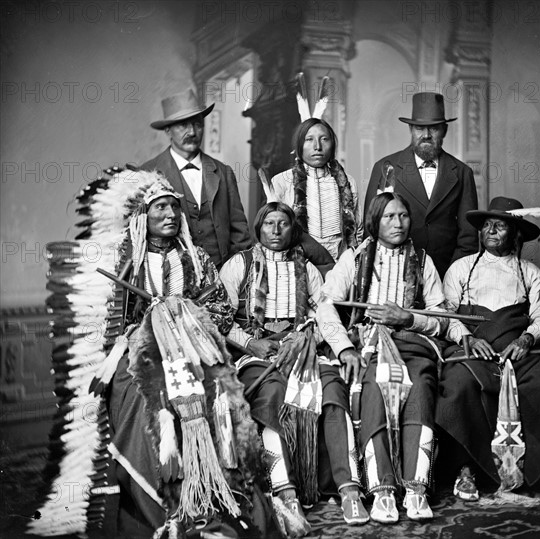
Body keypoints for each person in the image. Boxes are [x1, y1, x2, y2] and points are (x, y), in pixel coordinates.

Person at [99, 173, 264, 537]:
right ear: (144, 216)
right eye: (161, 207)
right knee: (144, 403)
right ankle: (166, 507)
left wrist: (186, 319)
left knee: (220, 398)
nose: (171, 213)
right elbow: (113, 320)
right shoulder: (129, 262)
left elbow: (220, 308)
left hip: (196, 349)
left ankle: (220, 500)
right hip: (142, 357)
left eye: (175, 206)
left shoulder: (197, 257)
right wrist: (149, 327)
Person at [219, 202, 368, 531]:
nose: (275, 231)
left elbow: (325, 313)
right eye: (268, 224)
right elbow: (219, 318)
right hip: (257, 348)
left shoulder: (308, 269)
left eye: (283, 224)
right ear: (258, 228)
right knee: (269, 391)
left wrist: (314, 338)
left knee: (331, 387)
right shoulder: (238, 265)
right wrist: (249, 342)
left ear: (293, 228)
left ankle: (349, 489)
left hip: (300, 343)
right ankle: (285, 493)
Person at [316, 192, 448, 523]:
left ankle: (416, 489)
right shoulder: (355, 258)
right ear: (375, 221)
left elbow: (442, 316)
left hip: (412, 346)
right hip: (368, 345)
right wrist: (345, 348)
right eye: (389, 216)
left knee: (420, 385)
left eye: (403, 216)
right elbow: (326, 305)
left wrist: (408, 319)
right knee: (373, 385)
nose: (398, 223)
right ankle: (383, 489)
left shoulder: (422, 261)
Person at [437, 197, 540, 504]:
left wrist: (526, 339)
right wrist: (465, 338)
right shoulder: (461, 269)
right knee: (458, 387)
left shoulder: (529, 272)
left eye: (500, 225)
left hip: (518, 353)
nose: (492, 230)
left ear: (516, 234)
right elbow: (445, 315)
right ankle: (465, 470)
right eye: (487, 225)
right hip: (473, 352)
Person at [364, 92, 478, 277]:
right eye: (419, 128)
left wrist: (453, 276)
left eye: (434, 128)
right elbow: (371, 228)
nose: (426, 135)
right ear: (410, 129)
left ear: (445, 130)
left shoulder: (462, 172)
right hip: (394, 275)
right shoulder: (386, 167)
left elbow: (468, 238)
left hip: (446, 274)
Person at [142, 89, 251, 269]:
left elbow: (240, 233)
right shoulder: (148, 173)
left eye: (197, 124)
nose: (192, 132)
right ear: (168, 130)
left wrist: (236, 274)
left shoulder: (223, 173)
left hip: (222, 276)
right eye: (183, 125)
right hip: (171, 280)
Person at [268, 118, 362, 262]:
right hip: (298, 263)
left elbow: (358, 230)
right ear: (299, 145)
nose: (317, 146)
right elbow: (274, 231)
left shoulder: (348, 182)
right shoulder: (281, 182)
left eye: (324, 139)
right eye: (309, 139)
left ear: (333, 144)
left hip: (341, 264)